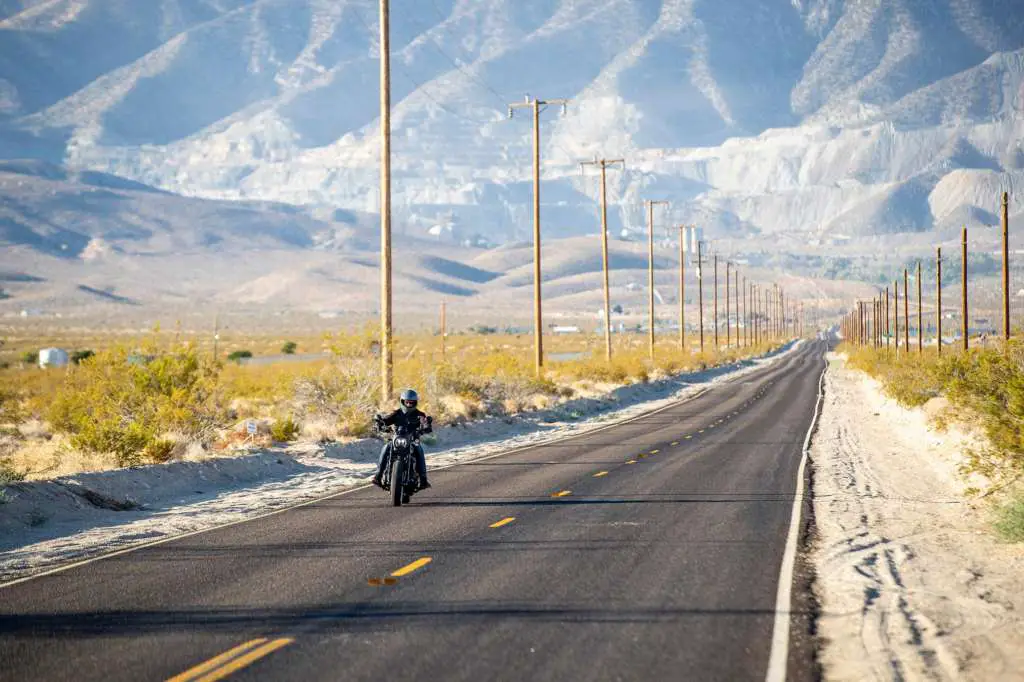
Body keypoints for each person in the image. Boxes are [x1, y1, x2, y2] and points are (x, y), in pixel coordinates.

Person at [373, 388, 433, 489]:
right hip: (397, 439)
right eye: (407, 402)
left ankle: (423, 479)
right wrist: (380, 423)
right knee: (386, 448)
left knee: (419, 451)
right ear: (402, 402)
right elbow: (386, 420)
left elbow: (424, 422)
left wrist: (426, 425)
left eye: (412, 402)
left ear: (415, 403)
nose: (409, 404)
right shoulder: (397, 413)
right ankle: (378, 476)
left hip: (412, 440)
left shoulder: (420, 415)